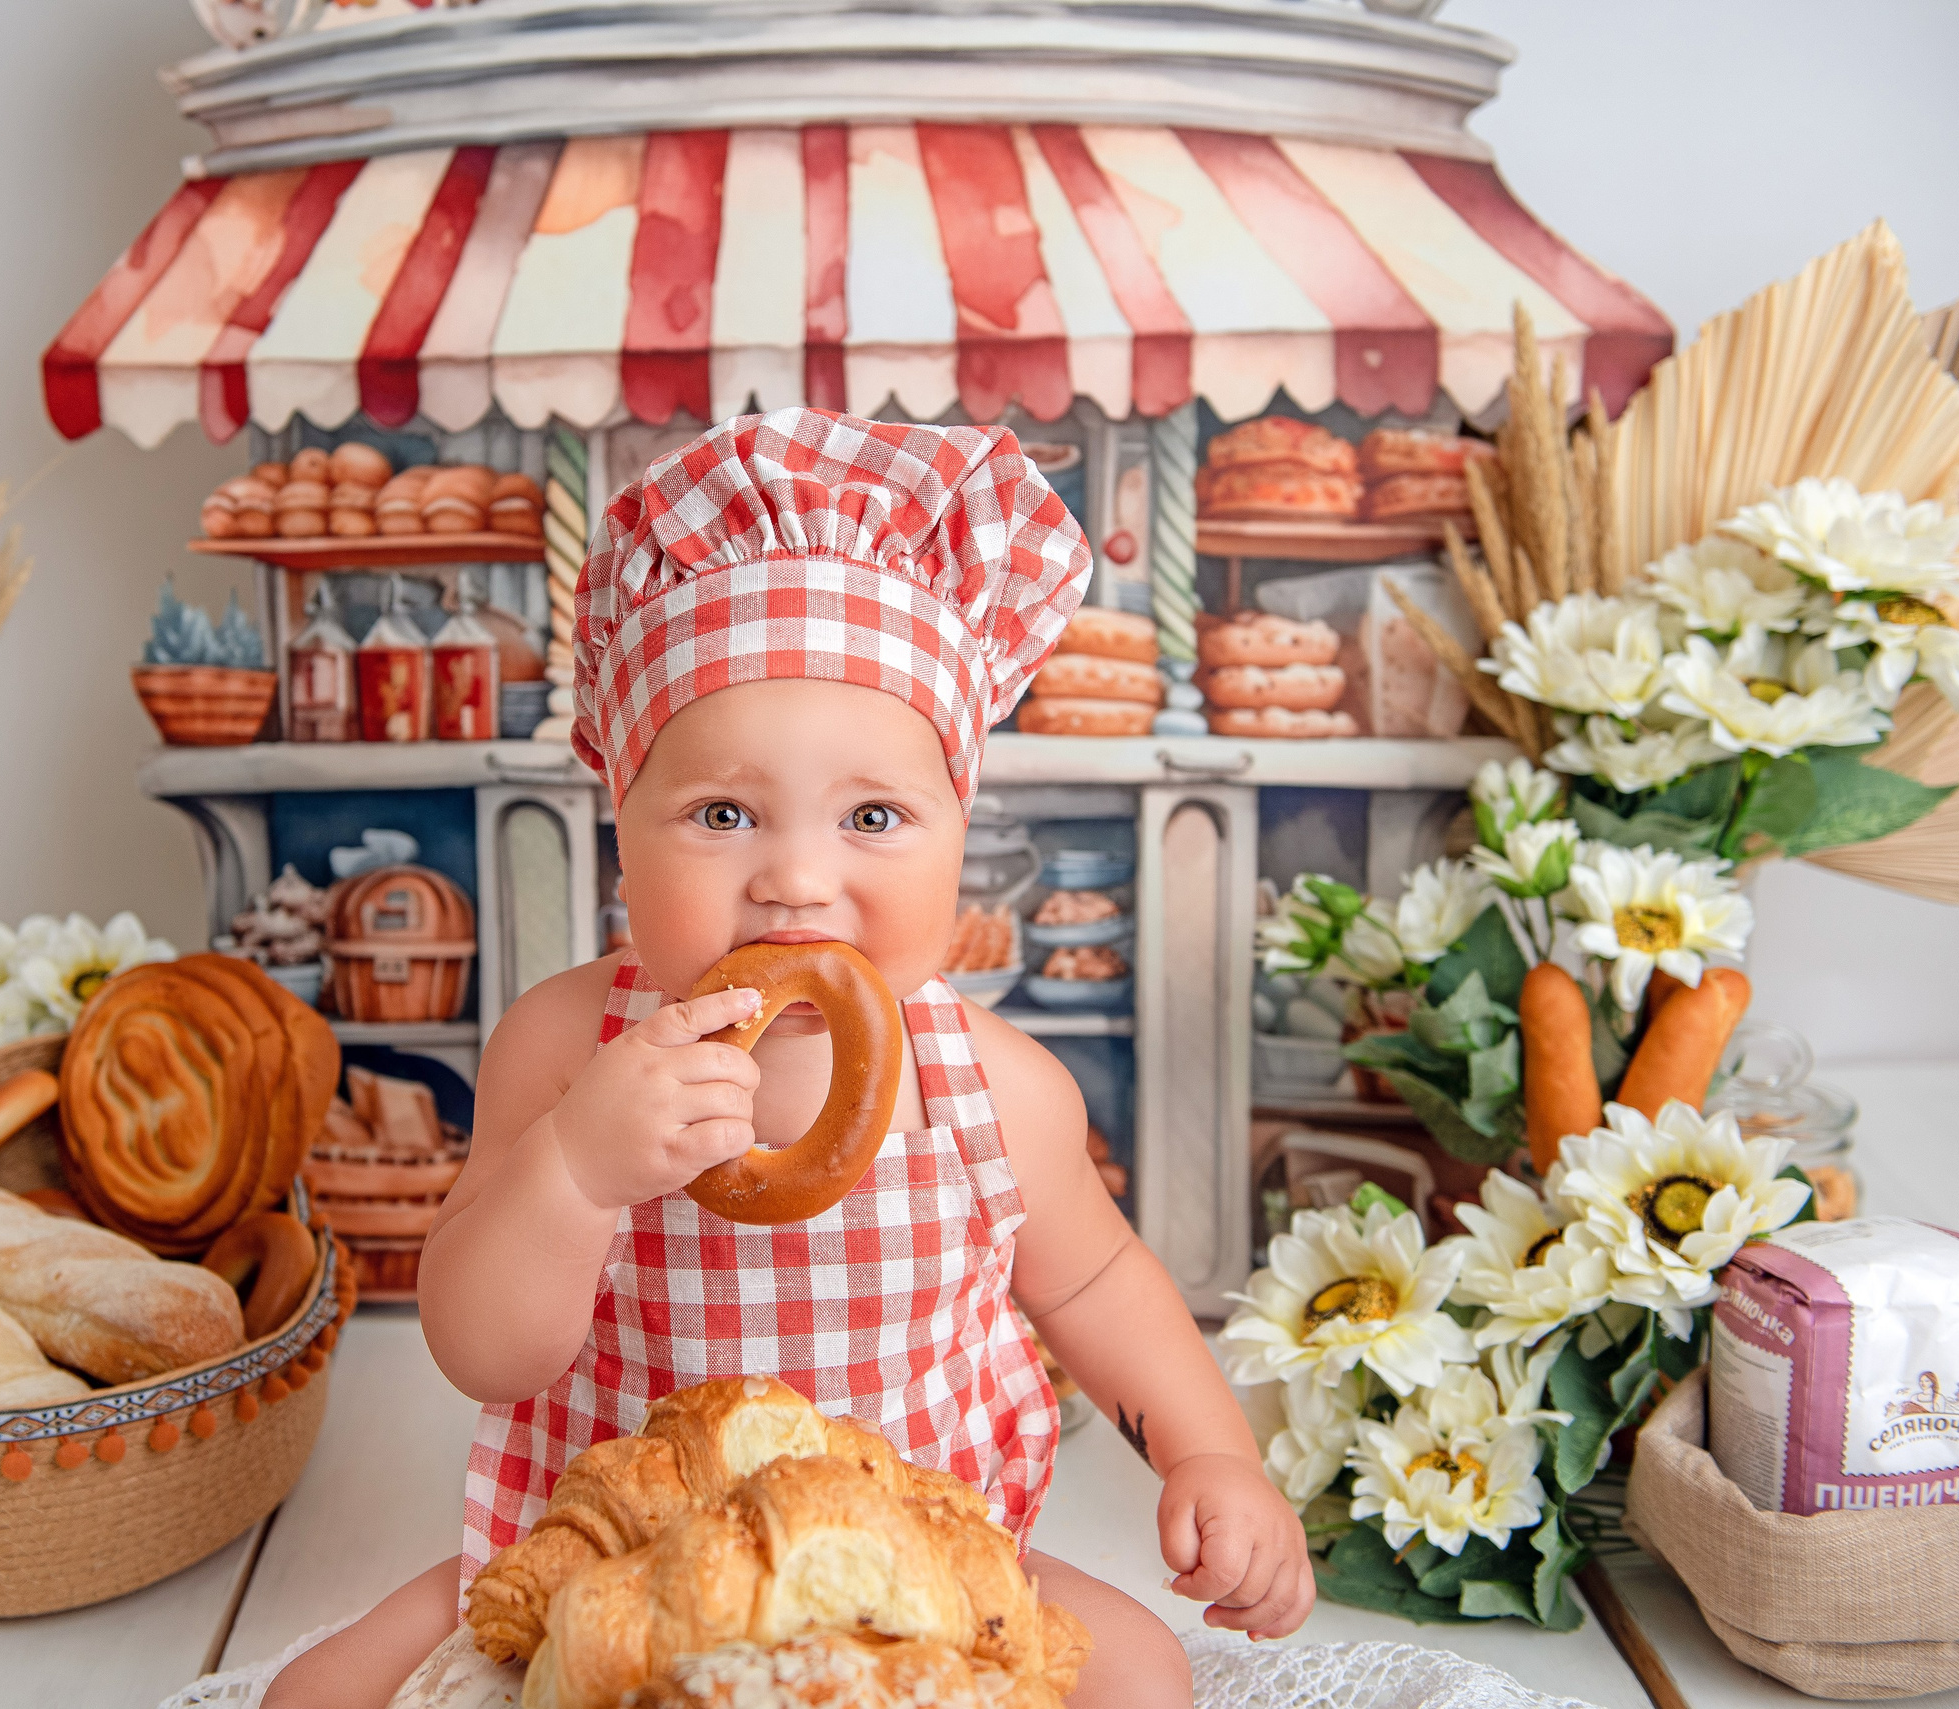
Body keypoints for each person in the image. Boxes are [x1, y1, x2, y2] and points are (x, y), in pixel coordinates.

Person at [266, 410, 1309, 1709]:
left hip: (908, 1566)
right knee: (311, 1694)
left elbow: (1099, 1280)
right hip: (611, 1560)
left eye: (875, 814)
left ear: (957, 827)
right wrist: (579, 1172)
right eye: (722, 812)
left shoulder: (995, 1087)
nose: (799, 878)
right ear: (620, 821)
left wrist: (1214, 1455)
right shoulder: (563, 1043)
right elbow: (486, 1351)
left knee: (1143, 1676)